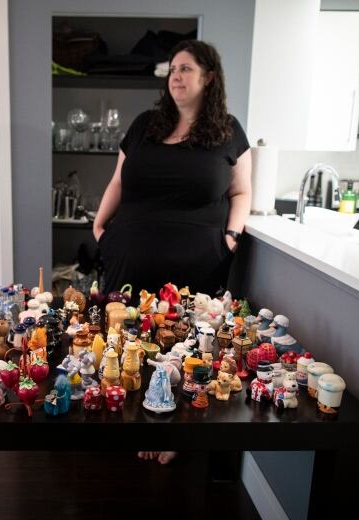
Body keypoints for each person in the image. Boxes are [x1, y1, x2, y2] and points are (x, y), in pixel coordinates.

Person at [92, 40, 252, 465]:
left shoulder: (228, 131)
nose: (176, 76)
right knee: (126, 340)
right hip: (129, 255)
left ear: (209, 77)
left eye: (186, 68)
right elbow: (118, 182)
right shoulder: (146, 123)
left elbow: (241, 190)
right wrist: (99, 226)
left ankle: (176, 428)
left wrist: (231, 236)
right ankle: (130, 420)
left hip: (197, 264)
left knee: (185, 346)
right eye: (173, 70)